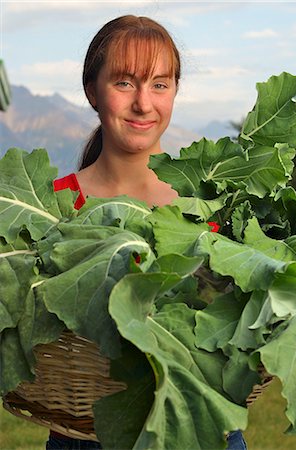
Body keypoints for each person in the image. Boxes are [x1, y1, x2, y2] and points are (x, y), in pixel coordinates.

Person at [48, 14, 247, 450]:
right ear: (91, 91)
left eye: (159, 84)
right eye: (124, 83)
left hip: (204, 427)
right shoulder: (49, 207)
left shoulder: (210, 203)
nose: (143, 104)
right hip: (87, 435)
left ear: (175, 92)